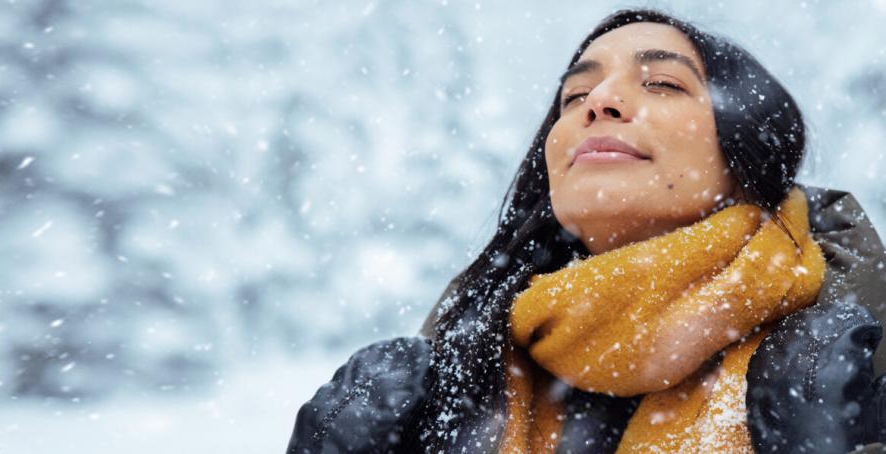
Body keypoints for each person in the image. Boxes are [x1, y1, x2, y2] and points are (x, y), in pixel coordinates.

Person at [286, 8, 886, 453]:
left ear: (748, 156)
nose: (599, 102)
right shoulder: (458, 374)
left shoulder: (852, 358)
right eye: (574, 95)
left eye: (662, 83)